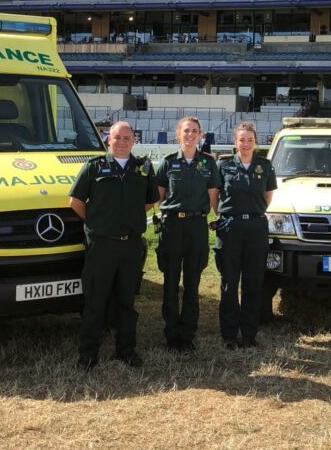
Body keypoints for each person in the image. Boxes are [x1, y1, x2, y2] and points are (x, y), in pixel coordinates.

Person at [69, 121, 158, 370]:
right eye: (117, 138)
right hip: (102, 245)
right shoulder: (94, 166)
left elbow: (150, 201)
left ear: (134, 141)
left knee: (127, 303)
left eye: (127, 138)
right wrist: (96, 221)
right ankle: (88, 355)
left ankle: (126, 351)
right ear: (109, 139)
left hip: (130, 246)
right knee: (95, 301)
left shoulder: (142, 169)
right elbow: (75, 201)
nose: (122, 142)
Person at [155, 116, 219, 352]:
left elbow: (214, 201)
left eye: (194, 131)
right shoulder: (168, 163)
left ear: (200, 135)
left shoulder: (208, 164)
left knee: (193, 283)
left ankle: (188, 334)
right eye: (186, 131)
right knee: (170, 282)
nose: (190, 135)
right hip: (173, 227)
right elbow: (158, 198)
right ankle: (171, 335)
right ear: (177, 134)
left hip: (197, 227)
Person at [214, 122, 278, 348]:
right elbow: (215, 196)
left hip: (256, 228)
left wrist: (252, 213)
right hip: (230, 228)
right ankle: (229, 335)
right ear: (235, 142)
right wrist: (225, 214)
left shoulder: (265, 166)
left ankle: (249, 334)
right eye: (242, 140)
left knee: (253, 283)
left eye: (250, 140)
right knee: (229, 283)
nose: (246, 144)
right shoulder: (223, 165)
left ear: (255, 142)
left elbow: (268, 197)